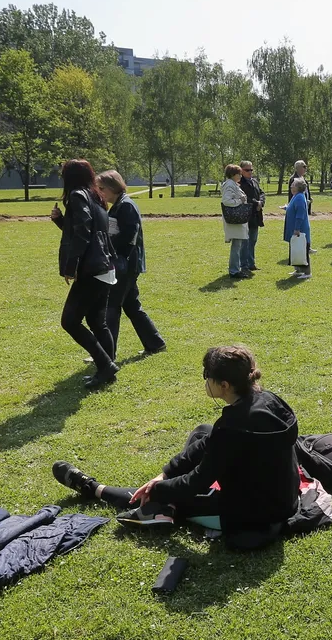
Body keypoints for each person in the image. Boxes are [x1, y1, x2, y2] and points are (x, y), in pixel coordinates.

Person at [51, 346, 301, 550]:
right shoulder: (266, 400)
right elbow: (211, 441)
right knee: (203, 430)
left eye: (207, 376)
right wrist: (166, 473)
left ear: (224, 385)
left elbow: (197, 481)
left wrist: (159, 489)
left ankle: (94, 489)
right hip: (282, 495)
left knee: (155, 497)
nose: (205, 381)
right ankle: (162, 504)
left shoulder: (234, 425)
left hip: (255, 513)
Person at [49, 159, 118, 389]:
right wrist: (61, 221)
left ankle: (106, 366)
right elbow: (85, 228)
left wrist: (71, 267)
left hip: (91, 269)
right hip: (104, 266)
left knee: (70, 321)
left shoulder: (78, 196)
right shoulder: (96, 196)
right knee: (98, 322)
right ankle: (107, 368)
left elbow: (83, 231)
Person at [96, 170, 166, 359]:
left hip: (125, 265)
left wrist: (108, 248)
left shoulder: (126, 205)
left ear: (112, 187)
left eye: (101, 188)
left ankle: (106, 353)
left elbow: (129, 237)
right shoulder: (119, 205)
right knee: (132, 306)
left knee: (111, 307)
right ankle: (155, 343)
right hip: (126, 264)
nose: (99, 191)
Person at [220, 164, 251, 279]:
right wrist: (239, 201)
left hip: (237, 218)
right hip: (234, 218)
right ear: (233, 174)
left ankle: (236, 268)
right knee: (236, 245)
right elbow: (227, 201)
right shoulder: (229, 185)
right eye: (239, 173)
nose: (240, 176)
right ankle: (234, 270)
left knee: (238, 244)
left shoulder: (233, 184)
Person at [239, 160, 264, 272]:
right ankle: (244, 265)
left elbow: (262, 193)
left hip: (255, 215)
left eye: (251, 170)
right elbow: (245, 197)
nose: (250, 172)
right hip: (245, 215)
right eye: (247, 170)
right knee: (245, 242)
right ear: (241, 171)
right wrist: (256, 203)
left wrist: (261, 202)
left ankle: (251, 263)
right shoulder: (240, 183)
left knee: (253, 240)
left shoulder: (254, 181)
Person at [285, 178, 312, 279]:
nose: (291, 186)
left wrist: (297, 228)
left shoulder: (300, 197)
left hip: (301, 228)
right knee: (296, 248)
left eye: (293, 185)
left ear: (298, 187)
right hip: (295, 228)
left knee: (302, 249)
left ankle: (307, 272)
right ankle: (298, 270)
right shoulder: (295, 196)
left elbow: (300, 214)